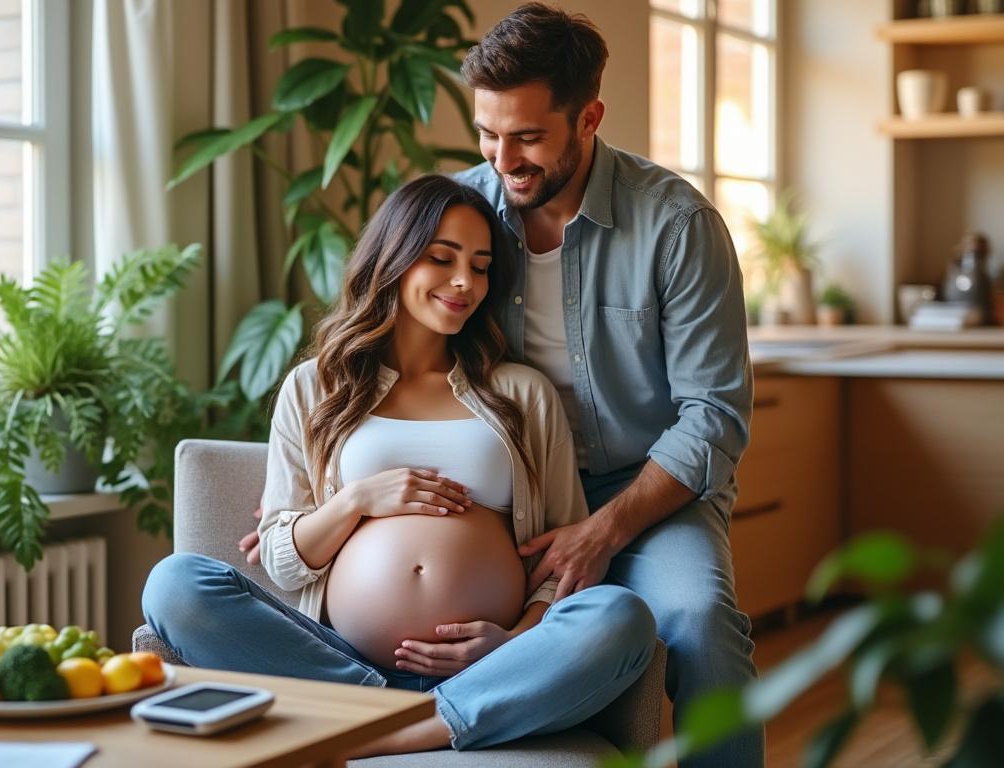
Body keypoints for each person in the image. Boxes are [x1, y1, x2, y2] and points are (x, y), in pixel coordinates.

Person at [241, 5, 759, 766]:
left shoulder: (674, 225)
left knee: (701, 617)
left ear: (588, 118)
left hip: (646, 486)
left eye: (526, 137)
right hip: (507, 483)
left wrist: (602, 530)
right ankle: (413, 711)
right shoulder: (465, 210)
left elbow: (713, 415)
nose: (501, 157)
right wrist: (320, 495)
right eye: (487, 133)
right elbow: (389, 336)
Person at [143, 174, 657, 757]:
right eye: (442, 258)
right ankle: (395, 713)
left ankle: (404, 727)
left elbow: (560, 557)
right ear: (394, 258)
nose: (466, 282)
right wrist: (358, 501)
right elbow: (284, 562)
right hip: (340, 662)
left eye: (482, 265)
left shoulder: (520, 392)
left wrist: (516, 639)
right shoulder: (316, 387)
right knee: (175, 584)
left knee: (621, 615)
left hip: (488, 668)